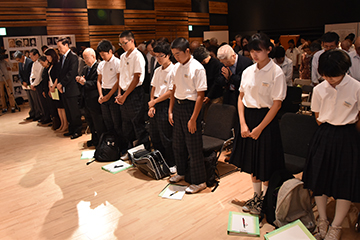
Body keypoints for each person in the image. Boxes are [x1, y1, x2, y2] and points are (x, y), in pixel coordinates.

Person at [302, 50, 360, 240]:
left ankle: (336, 226)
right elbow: (318, 117)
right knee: (320, 179)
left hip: (348, 136)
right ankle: (322, 220)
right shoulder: (319, 89)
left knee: (345, 182)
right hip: (324, 134)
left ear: (344, 70)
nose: (328, 79)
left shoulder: (357, 88)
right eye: (324, 75)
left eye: (332, 75)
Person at [229, 33, 287, 215]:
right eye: (251, 51)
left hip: (266, 121)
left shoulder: (276, 72)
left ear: (269, 50)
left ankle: (266, 201)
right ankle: (257, 196)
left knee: (266, 164)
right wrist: (243, 124)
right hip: (248, 117)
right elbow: (241, 98)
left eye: (258, 51)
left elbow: (277, 104)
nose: (254, 55)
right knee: (253, 163)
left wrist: (259, 128)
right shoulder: (248, 71)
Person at [167, 37, 207, 194]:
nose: (176, 57)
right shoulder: (176, 67)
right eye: (174, 55)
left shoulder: (197, 68)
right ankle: (181, 172)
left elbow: (200, 96)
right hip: (178, 106)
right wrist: (170, 111)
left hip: (191, 108)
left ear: (187, 51)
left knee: (193, 146)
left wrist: (193, 119)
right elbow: (173, 90)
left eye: (178, 54)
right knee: (177, 144)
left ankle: (200, 181)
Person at [116, 30, 150, 152]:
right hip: (124, 92)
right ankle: (129, 149)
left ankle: (143, 151)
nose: (123, 46)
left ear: (132, 41)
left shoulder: (138, 56)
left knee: (137, 124)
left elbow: (136, 78)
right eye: (120, 44)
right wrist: (119, 93)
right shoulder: (122, 56)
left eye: (124, 43)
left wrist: (124, 95)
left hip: (134, 93)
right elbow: (120, 76)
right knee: (126, 124)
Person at [147, 41, 176, 172]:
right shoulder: (157, 70)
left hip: (166, 104)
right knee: (155, 135)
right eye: (156, 56)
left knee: (166, 136)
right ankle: (160, 160)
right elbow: (153, 87)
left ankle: (172, 162)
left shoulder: (173, 69)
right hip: (156, 104)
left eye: (161, 56)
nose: (158, 59)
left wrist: (155, 101)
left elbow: (171, 92)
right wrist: (152, 104)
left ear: (168, 55)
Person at [96, 40, 125, 150]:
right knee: (107, 121)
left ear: (110, 51)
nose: (102, 56)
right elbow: (99, 81)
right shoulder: (101, 64)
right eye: (100, 55)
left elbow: (118, 81)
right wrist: (100, 95)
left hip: (113, 94)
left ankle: (120, 146)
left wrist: (108, 96)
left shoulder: (117, 62)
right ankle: (110, 145)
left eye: (104, 54)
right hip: (104, 93)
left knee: (117, 122)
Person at [76, 48, 106, 148]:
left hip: (95, 99)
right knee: (90, 122)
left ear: (93, 57)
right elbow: (84, 81)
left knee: (98, 122)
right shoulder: (85, 68)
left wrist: (85, 82)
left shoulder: (99, 66)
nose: (84, 60)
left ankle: (101, 141)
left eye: (86, 58)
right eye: (83, 58)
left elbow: (97, 83)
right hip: (86, 99)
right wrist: (80, 80)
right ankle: (94, 139)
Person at [56, 38, 82, 139]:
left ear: (66, 45)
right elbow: (61, 73)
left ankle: (78, 130)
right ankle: (71, 129)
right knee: (68, 111)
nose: (59, 49)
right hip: (64, 89)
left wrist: (62, 83)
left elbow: (72, 73)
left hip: (71, 89)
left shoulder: (73, 57)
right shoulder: (62, 57)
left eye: (60, 47)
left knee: (74, 111)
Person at [192, 46, 224, 119]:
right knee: (205, 117)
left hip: (215, 95)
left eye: (203, 61)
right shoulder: (200, 66)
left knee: (215, 117)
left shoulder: (216, 63)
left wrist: (209, 96)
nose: (202, 63)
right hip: (204, 95)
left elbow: (216, 82)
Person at [45, 48, 66, 132]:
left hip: (57, 87)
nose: (47, 58)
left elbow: (58, 77)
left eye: (48, 56)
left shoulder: (57, 64)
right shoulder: (51, 65)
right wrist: (50, 88)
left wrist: (53, 86)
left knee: (61, 106)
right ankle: (61, 124)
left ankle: (65, 124)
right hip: (52, 87)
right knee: (58, 107)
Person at [29, 48, 51, 124]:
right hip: (35, 84)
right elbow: (32, 74)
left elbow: (39, 76)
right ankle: (43, 115)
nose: (31, 57)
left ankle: (47, 116)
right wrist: (32, 83)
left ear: (37, 55)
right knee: (39, 102)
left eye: (32, 55)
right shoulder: (34, 63)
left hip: (40, 84)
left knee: (44, 102)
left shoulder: (40, 63)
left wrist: (34, 83)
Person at [14, 50, 36, 120]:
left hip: (30, 83)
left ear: (23, 56)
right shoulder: (20, 64)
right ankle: (32, 113)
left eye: (19, 59)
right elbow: (20, 74)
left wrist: (27, 81)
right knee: (30, 100)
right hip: (25, 85)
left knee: (34, 100)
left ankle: (37, 114)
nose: (19, 61)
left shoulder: (30, 62)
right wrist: (22, 81)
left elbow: (31, 73)